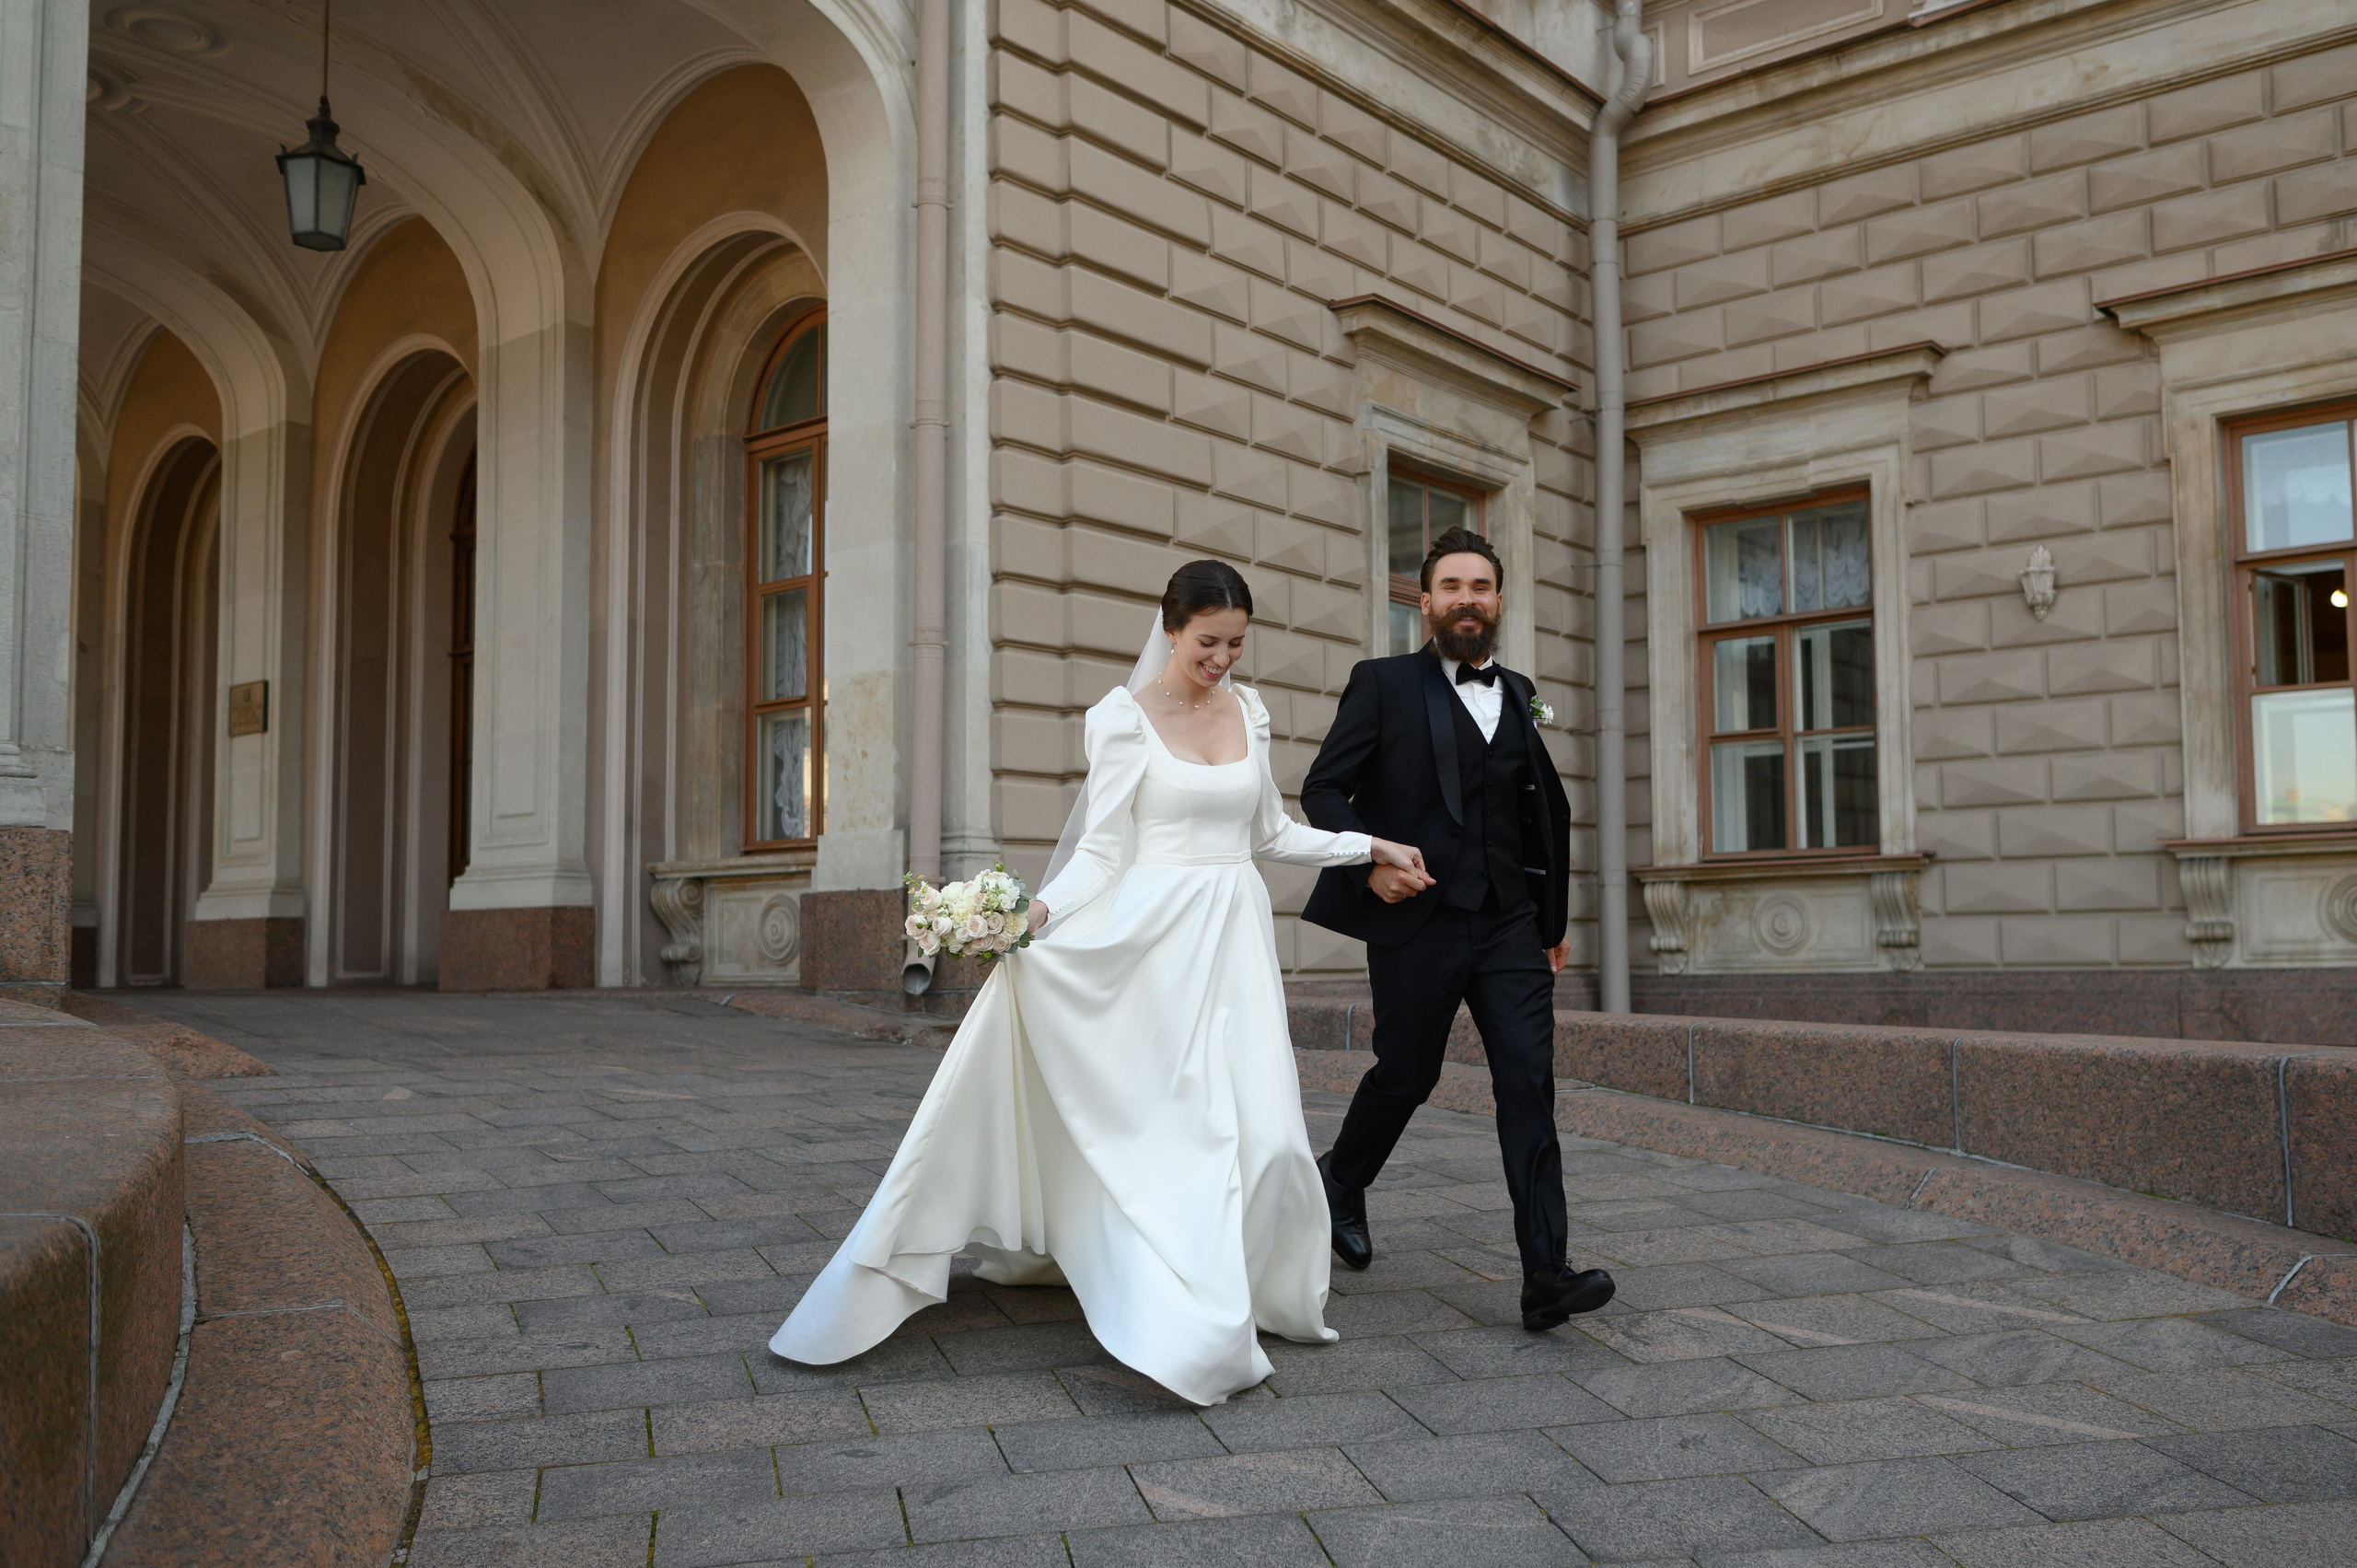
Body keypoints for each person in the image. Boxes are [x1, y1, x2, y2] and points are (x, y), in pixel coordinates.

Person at [770, 560, 1434, 1405]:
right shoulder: (1123, 722)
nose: (1223, 658)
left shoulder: (1250, 713)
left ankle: (1256, 1288)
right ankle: (1187, 1313)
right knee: (1180, 1135)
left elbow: (1272, 832)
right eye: (1208, 642)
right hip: (1149, 945)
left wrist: (1367, 845)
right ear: (1169, 627)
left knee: (1268, 1141)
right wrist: (1033, 917)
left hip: (1234, 943)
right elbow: (1104, 852)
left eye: (1236, 642)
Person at [1299, 526, 1617, 1332]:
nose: (1466, 600)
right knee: (1407, 1073)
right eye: (1451, 586)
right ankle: (1340, 1178)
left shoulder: (1518, 690)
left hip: (1509, 926)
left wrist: (1550, 921)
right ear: (1426, 598)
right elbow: (1325, 791)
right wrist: (1370, 861)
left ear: (1498, 600)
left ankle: (1545, 1272)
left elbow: (1540, 812)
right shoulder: (1382, 683)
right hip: (1419, 919)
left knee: (1528, 1088)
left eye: (1480, 587)